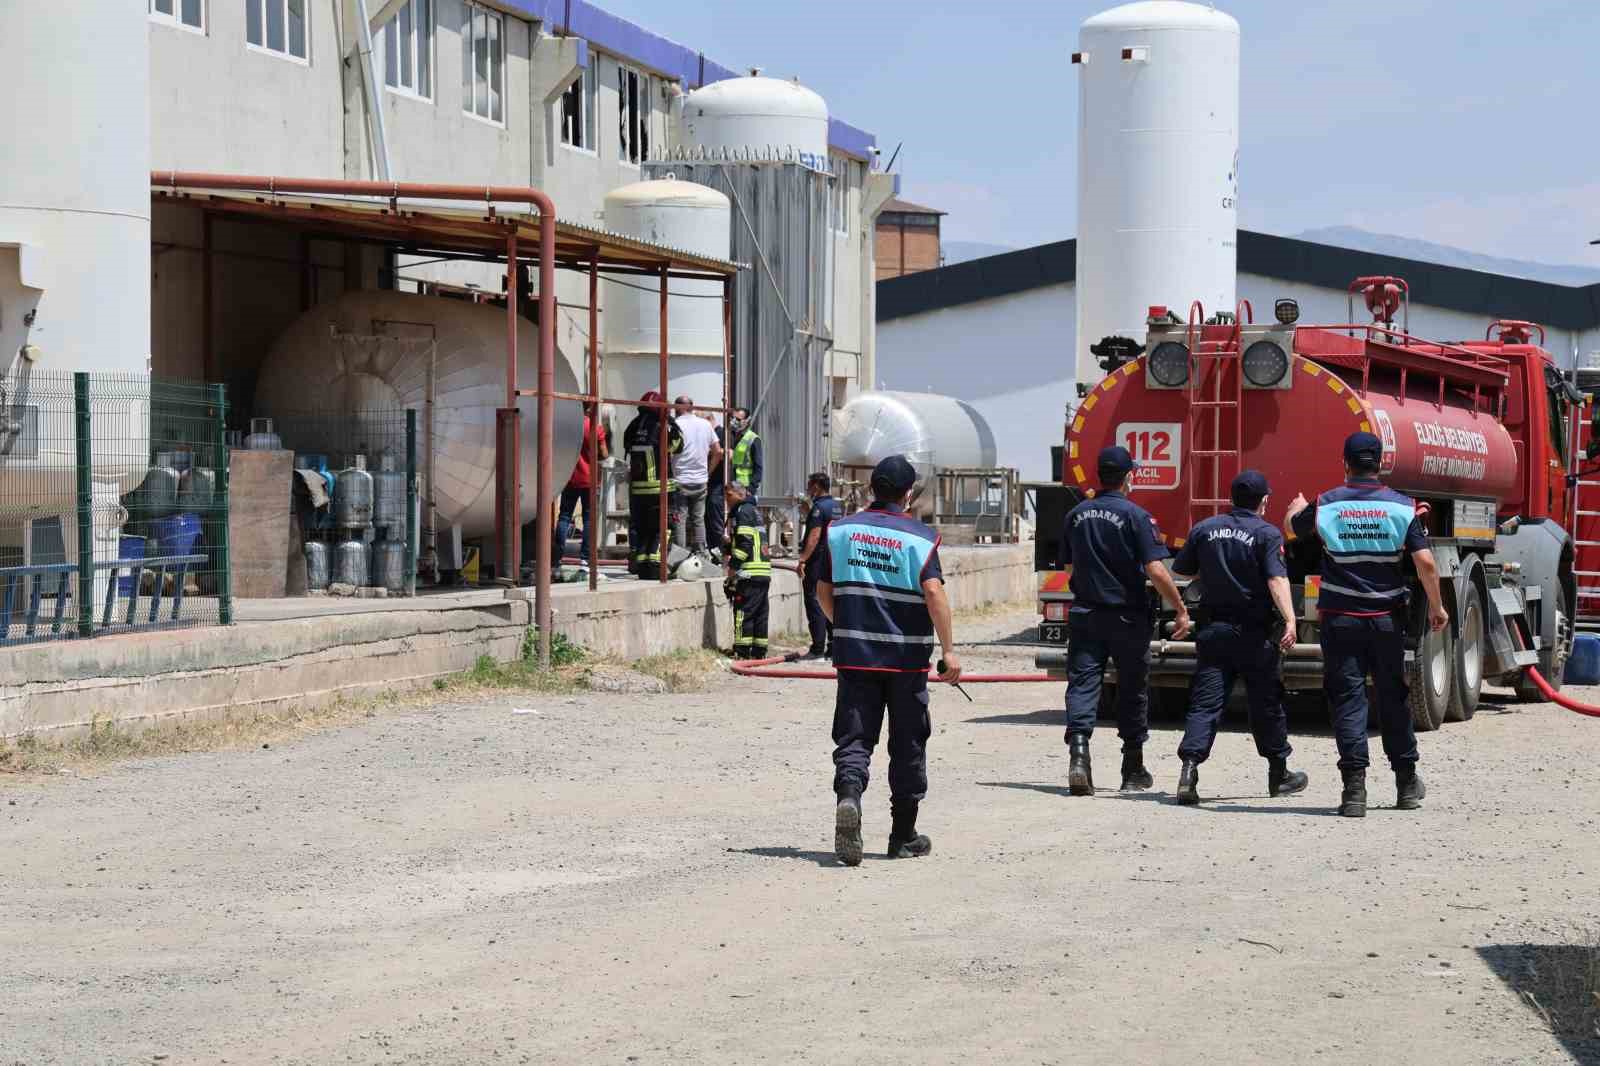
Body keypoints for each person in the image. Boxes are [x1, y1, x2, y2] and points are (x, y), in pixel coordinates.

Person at [1285, 431, 1448, 818]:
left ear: (1345, 463)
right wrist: (1436, 607)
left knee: (1348, 701)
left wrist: (1296, 508)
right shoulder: (1402, 507)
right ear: (1380, 463)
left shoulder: (1326, 504)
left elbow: (1293, 530)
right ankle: (1406, 783)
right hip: (1386, 621)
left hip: (1340, 620)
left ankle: (1354, 791)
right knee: (1393, 698)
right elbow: (1425, 563)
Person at [816, 455, 961, 866]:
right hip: (906, 661)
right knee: (908, 743)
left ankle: (849, 797)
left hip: (855, 655)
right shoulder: (920, 538)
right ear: (908, 493)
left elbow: (823, 589)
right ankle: (902, 835)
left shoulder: (840, 531)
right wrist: (949, 651)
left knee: (855, 737)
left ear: (871, 489)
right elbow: (934, 593)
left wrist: (844, 625)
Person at [1169, 470, 1310, 805]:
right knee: (1266, 704)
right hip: (1254, 635)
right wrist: (1290, 619)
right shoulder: (1267, 533)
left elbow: (1181, 570)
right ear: (1263, 501)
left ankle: (1189, 772)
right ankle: (1279, 774)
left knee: (1205, 704)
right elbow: (1276, 581)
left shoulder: (1204, 529)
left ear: (1231, 498)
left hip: (1213, 631)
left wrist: (1214, 569)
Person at [1061, 445, 1191, 796]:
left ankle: (1079, 758)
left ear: (1100, 476)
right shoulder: (1137, 517)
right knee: (1132, 689)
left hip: (1086, 613)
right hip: (1127, 617)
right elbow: (1155, 568)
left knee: (1083, 684)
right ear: (1129, 477)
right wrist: (1179, 607)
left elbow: (1070, 568)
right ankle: (1132, 769)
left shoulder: (1075, 515)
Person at [623, 390, 684, 580]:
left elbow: (626, 445)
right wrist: (671, 423)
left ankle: (642, 566)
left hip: (637, 491)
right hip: (660, 489)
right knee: (662, 528)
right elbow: (677, 446)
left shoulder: (633, 425)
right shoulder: (663, 425)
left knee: (643, 529)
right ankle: (656, 566)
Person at [796, 471, 842, 660]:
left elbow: (814, 536)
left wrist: (803, 560)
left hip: (817, 561)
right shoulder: (837, 506)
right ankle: (833, 647)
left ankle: (817, 648)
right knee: (831, 600)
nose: (808, 488)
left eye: (809, 485)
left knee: (814, 601)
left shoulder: (818, 508)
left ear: (816, 486)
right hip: (835, 559)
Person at [555, 403, 609, 564]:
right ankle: (585, 558)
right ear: (589, 409)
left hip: (570, 478)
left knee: (564, 517)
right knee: (589, 518)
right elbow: (605, 454)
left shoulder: (568, 428)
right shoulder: (596, 428)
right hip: (590, 480)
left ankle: (556, 557)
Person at [724, 480, 771, 659]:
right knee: (760, 613)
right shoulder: (754, 511)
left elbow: (745, 542)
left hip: (749, 572)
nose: (727, 500)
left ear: (739, 494)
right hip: (763, 572)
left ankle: (742, 651)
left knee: (744, 611)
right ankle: (759, 652)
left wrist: (733, 567)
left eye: (729, 495)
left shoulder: (742, 511)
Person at [671, 396, 722, 556]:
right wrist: (707, 472)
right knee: (698, 519)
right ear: (692, 407)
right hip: (700, 481)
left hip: (680, 479)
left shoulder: (675, 425)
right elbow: (718, 452)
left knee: (680, 519)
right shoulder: (705, 424)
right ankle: (700, 552)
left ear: (677, 408)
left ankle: (680, 555)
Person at [728, 406, 763, 497]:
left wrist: (751, 488)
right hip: (732, 486)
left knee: (743, 511)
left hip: (745, 487)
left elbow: (758, 467)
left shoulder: (753, 439)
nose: (734, 422)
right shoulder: (731, 436)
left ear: (747, 421)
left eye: (738, 419)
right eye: (733, 418)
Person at [705, 414, 727, 560]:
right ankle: (714, 552)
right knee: (709, 520)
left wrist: (707, 473)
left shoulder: (721, 434)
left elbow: (721, 453)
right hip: (712, 484)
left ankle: (720, 552)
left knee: (715, 521)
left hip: (717, 485)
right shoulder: (717, 434)